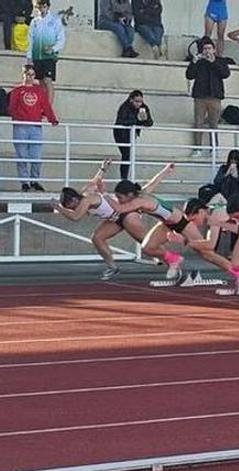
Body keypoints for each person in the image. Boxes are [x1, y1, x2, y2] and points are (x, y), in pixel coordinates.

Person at [109, 178, 239, 291]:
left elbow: (121, 209)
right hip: (167, 223)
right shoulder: (141, 194)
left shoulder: (140, 200)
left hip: (182, 222)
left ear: (129, 195)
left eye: (119, 197)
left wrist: (103, 196)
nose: (118, 200)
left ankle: (238, 273)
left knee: (206, 252)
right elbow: (154, 182)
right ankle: (173, 260)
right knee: (148, 247)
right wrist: (166, 171)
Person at [54, 160, 161, 280]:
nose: (73, 209)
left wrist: (58, 208)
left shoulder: (86, 200)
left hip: (125, 214)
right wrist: (103, 168)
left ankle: (170, 260)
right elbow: (96, 180)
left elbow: (75, 217)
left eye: (71, 206)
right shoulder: (85, 193)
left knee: (146, 242)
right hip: (114, 219)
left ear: (74, 200)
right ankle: (112, 267)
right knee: (97, 238)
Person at [9, 64, 59, 192]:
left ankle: (34, 180)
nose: (30, 77)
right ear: (23, 75)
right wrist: (20, 117)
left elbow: (46, 106)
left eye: (32, 75)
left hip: (35, 126)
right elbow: (12, 108)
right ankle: (24, 182)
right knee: (22, 156)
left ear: (35, 76)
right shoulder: (17, 90)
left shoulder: (39, 91)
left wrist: (52, 118)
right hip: (20, 126)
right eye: (28, 74)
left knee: (36, 157)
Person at [186, 37, 230, 157]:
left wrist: (213, 62)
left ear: (214, 50)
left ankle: (214, 148)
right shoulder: (199, 62)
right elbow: (189, 75)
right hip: (200, 96)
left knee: (214, 124)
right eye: (205, 49)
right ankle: (197, 149)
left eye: (209, 48)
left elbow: (225, 74)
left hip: (215, 97)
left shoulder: (220, 61)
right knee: (198, 122)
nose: (207, 51)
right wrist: (193, 62)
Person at [26, 0, 65, 104]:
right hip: (36, 56)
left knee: (48, 80)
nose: (41, 8)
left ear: (48, 6)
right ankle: (42, 105)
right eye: (39, 6)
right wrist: (29, 57)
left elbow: (61, 39)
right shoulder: (34, 22)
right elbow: (30, 40)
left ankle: (49, 107)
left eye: (44, 6)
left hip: (49, 57)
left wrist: (53, 49)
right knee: (40, 82)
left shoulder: (55, 21)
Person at [113, 90, 154, 179]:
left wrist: (145, 118)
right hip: (121, 133)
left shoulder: (144, 107)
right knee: (126, 155)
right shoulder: (124, 107)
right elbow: (120, 121)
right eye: (136, 101)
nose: (138, 104)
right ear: (131, 100)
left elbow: (150, 123)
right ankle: (124, 178)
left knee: (128, 156)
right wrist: (136, 120)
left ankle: (125, 178)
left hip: (132, 134)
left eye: (140, 101)